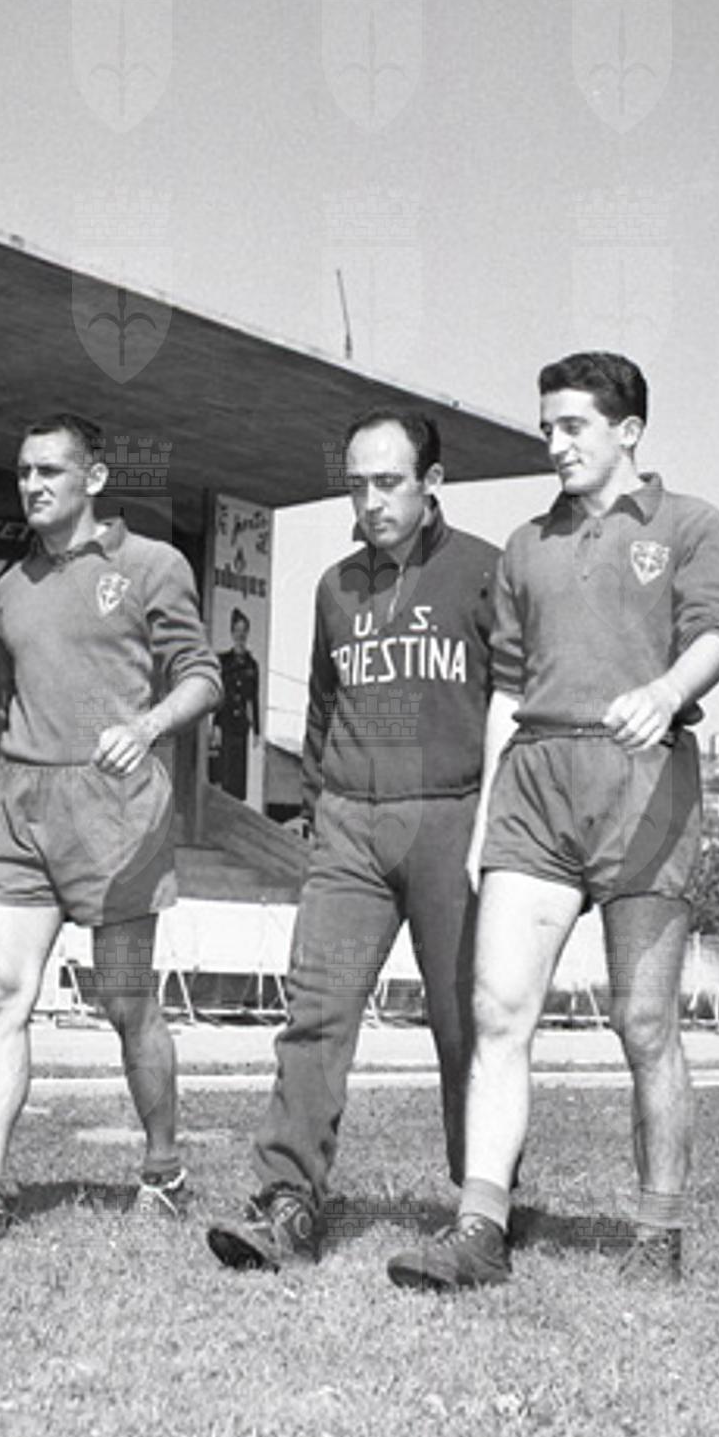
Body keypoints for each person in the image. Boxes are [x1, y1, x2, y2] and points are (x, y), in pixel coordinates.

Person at [386, 352, 719, 1292]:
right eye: (546, 426)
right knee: (498, 1012)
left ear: (628, 431)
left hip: (643, 790)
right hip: (534, 791)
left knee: (643, 1023)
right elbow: (505, 689)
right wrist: (483, 822)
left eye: (573, 426)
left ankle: (658, 1233)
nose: (554, 443)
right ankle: (479, 1230)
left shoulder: (692, 525)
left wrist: (665, 694)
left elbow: (717, 634)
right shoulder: (524, 545)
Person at [0, 413, 221, 1240]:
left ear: (93, 478)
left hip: (117, 814)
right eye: (23, 472)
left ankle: (164, 1166)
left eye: (49, 471)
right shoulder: (7, 588)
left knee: (125, 1002)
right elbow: (18, 699)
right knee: (1, 995)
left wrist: (145, 727)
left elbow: (202, 677)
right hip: (21, 807)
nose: (32, 485)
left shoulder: (151, 565)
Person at [207, 409, 498, 1270]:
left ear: (430, 482)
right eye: (357, 484)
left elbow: (515, 703)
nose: (370, 501)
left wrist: (495, 823)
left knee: (464, 1023)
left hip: (452, 817)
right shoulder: (335, 586)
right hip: (350, 829)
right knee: (315, 1015)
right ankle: (287, 1203)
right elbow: (322, 707)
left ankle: (483, 1207)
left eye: (388, 482)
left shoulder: (486, 571)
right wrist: (321, 804)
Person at [210, 607, 260, 800]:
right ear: (232, 633)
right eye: (237, 630)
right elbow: (219, 694)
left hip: (241, 726)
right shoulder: (224, 661)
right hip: (226, 722)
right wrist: (215, 724)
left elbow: (254, 697)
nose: (241, 635)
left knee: (239, 776)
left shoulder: (252, 665)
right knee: (226, 773)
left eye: (244, 631)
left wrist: (256, 730)